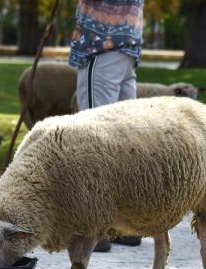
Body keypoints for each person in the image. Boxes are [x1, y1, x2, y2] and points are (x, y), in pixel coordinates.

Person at [69, 0, 144, 252]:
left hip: (101, 43)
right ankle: (126, 226)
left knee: (94, 138)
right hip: (126, 43)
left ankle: (96, 227)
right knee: (124, 142)